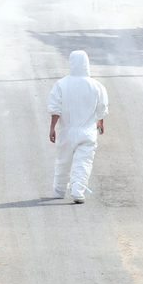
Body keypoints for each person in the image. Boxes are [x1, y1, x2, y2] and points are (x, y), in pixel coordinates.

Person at [48, 50, 108, 203]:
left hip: (66, 131)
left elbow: (55, 108)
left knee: (63, 161)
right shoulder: (97, 86)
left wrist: (52, 127)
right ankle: (78, 191)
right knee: (83, 162)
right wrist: (100, 121)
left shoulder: (61, 84)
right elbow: (101, 108)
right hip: (87, 132)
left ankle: (59, 190)